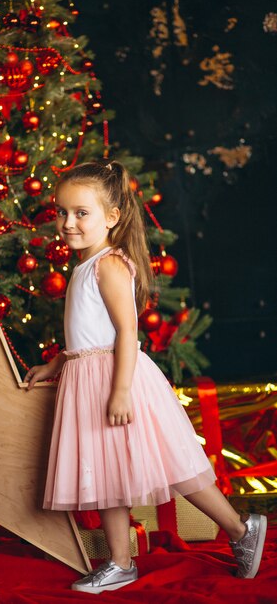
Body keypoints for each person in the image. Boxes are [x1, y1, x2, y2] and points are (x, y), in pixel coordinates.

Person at [24, 161, 267, 594]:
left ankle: (240, 527)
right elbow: (86, 336)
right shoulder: (83, 266)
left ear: (112, 217)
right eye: (62, 212)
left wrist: (119, 392)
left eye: (81, 213)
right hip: (88, 377)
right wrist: (57, 364)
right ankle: (119, 562)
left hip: (120, 379)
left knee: (174, 464)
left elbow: (126, 331)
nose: (67, 222)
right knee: (105, 475)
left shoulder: (109, 265)